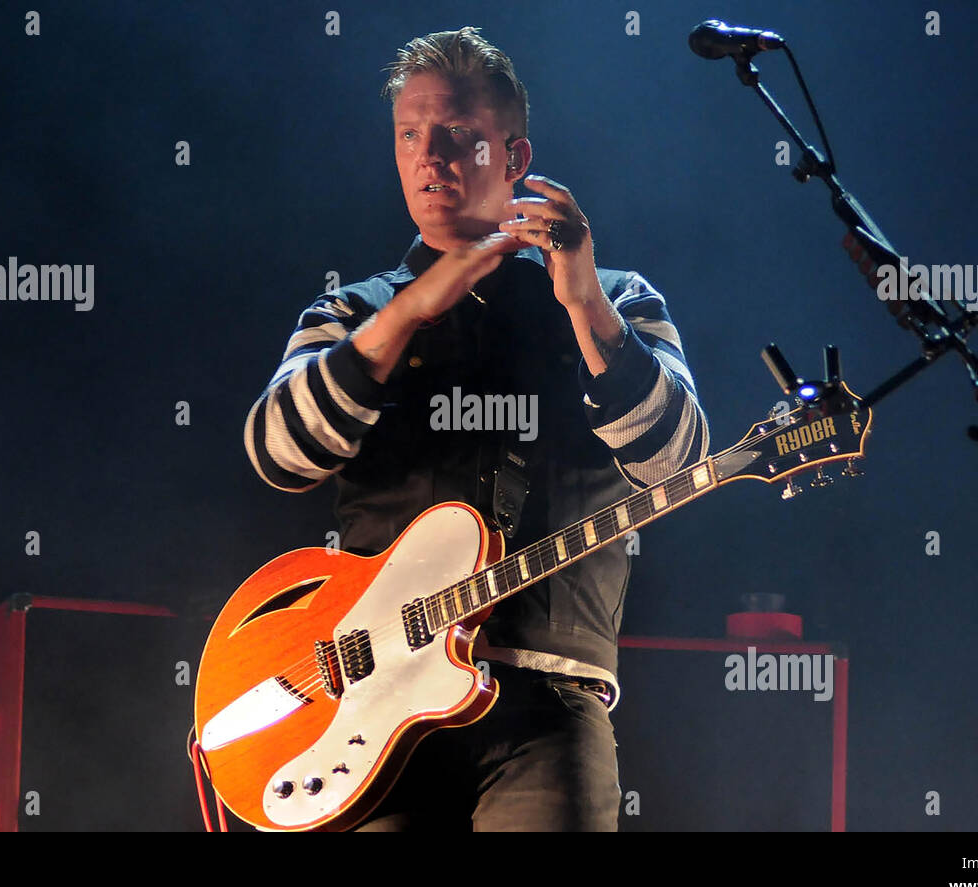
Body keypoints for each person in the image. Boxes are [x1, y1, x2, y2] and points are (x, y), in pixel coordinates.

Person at [243, 26, 709, 831]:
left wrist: (584, 301)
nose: (430, 157)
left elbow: (678, 459)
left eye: (459, 136)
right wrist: (407, 315)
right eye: (410, 136)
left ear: (516, 156)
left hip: (547, 697)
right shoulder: (350, 311)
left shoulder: (621, 296)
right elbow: (278, 452)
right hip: (370, 702)